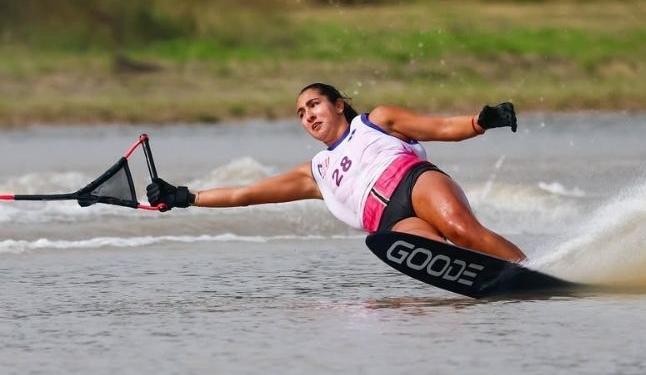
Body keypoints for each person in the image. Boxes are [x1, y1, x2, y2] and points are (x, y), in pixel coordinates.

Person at [147, 83, 527, 262]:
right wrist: (185, 197)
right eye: (301, 113)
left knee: (462, 232)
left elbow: (443, 128)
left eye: (314, 104)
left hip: (414, 183)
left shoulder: (377, 120)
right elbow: (244, 194)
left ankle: (533, 273)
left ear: (339, 105)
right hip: (391, 222)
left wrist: (482, 121)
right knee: (437, 256)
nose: (308, 115)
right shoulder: (315, 172)